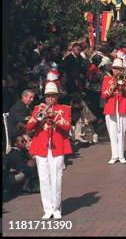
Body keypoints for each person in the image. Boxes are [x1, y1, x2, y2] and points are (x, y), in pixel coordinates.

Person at [26, 82, 72, 220]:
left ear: (57, 96)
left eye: (52, 96)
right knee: (44, 179)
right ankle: (47, 209)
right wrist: (40, 115)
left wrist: (55, 116)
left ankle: (57, 208)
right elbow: (29, 126)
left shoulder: (64, 109)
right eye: (47, 96)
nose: (50, 99)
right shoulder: (37, 108)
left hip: (58, 147)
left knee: (57, 178)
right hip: (41, 147)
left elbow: (67, 126)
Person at [100, 58, 126, 164]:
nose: (116, 71)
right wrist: (112, 87)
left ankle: (121, 155)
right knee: (112, 132)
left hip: (122, 106)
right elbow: (104, 95)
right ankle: (114, 155)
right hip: (111, 107)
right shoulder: (106, 79)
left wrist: (122, 85)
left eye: (118, 69)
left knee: (122, 131)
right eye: (115, 68)